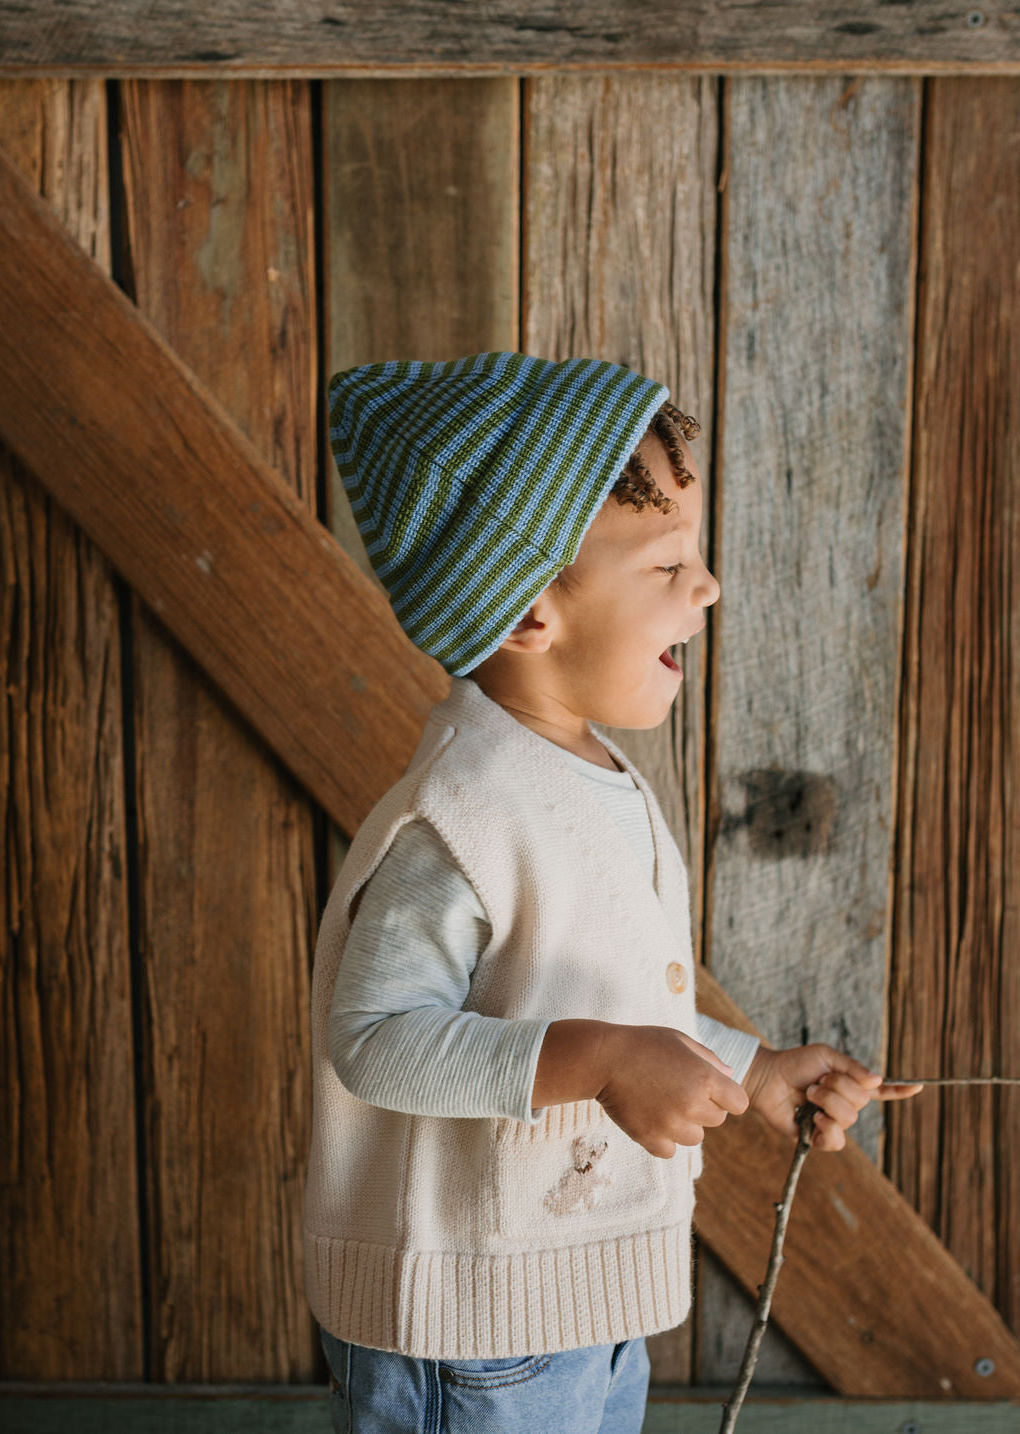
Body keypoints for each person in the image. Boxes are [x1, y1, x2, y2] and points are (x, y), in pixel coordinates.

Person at [303, 351, 921, 1433]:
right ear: (530, 613)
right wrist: (602, 1059)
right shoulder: (465, 816)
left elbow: (599, 992)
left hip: (575, 1297)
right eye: (665, 564)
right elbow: (375, 1037)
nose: (708, 586)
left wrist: (753, 1067)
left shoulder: (587, 772)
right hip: (473, 1334)